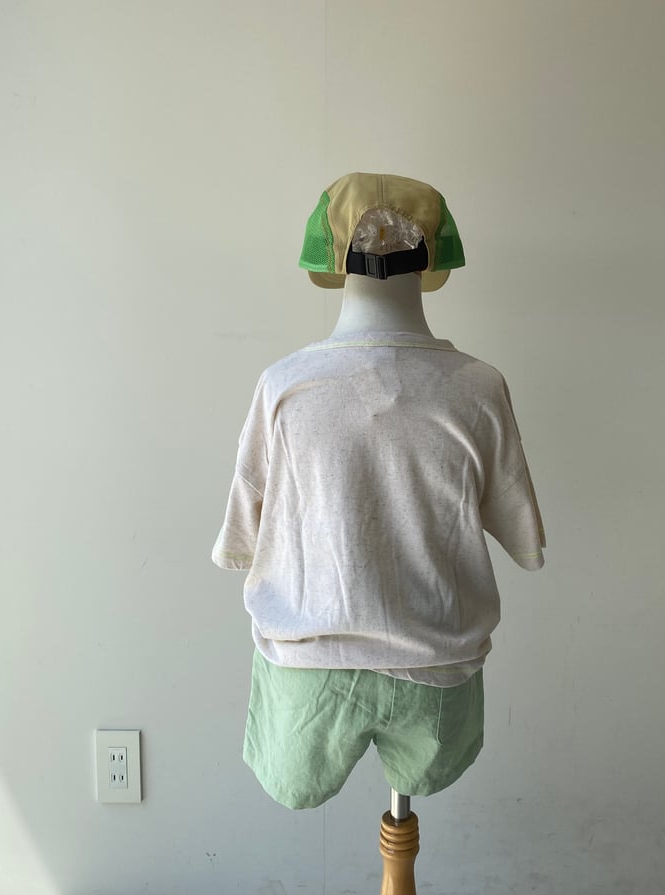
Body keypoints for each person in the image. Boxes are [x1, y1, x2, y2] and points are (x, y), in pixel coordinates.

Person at [212, 172, 546, 809]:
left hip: (309, 673)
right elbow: (523, 539)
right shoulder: (478, 387)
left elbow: (241, 541)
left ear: (330, 254)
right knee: (424, 791)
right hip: (436, 666)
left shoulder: (285, 386)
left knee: (297, 788)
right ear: (434, 253)